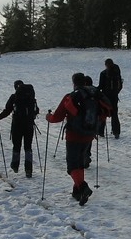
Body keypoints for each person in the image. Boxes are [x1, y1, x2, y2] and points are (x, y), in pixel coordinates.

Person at [45, 72, 109, 206]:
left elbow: (57, 117)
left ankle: (83, 187)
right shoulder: (93, 96)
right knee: (79, 163)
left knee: (72, 166)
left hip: (73, 136)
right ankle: (77, 192)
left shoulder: (70, 97)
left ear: (73, 83)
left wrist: (48, 117)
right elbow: (104, 112)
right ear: (85, 82)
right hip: (89, 135)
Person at [0, 80, 39, 177]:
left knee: (16, 145)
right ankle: (28, 169)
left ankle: (15, 165)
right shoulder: (31, 97)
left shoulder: (14, 97)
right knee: (28, 147)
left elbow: (7, 110)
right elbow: (36, 110)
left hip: (17, 125)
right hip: (29, 125)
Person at [98, 58, 124, 138]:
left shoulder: (103, 73)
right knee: (114, 114)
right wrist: (116, 92)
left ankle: (100, 132)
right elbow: (120, 85)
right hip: (114, 96)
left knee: (103, 113)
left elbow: (100, 86)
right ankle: (116, 132)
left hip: (105, 97)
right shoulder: (117, 72)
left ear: (106, 65)